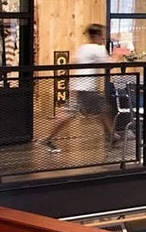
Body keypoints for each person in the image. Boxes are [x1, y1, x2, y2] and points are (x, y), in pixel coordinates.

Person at [41, 24, 120, 153]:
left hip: (77, 86)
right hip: (86, 89)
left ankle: (47, 139)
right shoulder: (97, 49)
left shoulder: (82, 48)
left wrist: (71, 84)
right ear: (96, 36)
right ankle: (112, 136)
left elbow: (72, 64)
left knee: (71, 115)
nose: (104, 37)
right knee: (103, 109)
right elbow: (109, 65)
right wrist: (118, 53)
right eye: (102, 35)